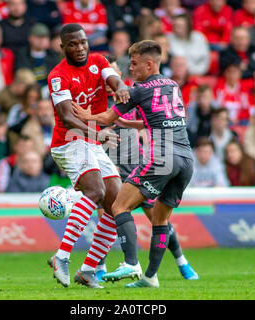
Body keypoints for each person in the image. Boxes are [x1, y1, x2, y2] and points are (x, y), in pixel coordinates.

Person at [73, 40, 195, 288]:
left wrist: (85, 115)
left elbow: (107, 117)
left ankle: (131, 262)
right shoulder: (173, 86)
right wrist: (128, 124)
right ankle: (150, 277)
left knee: (118, 206)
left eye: (135, 63)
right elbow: (161, 119)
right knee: (160, 219)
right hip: (185, 159)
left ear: (149, 64)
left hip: (161, 158)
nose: (131, 68)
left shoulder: (138, 90)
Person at [46, 23, 130, 289]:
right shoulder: (58, 76)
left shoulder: (97, 60)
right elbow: (67, 117)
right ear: (63, 47)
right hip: (69, 142)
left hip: (92, 141)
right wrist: (97, 135)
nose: (80, 48)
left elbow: (111, 78)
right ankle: (61, 257)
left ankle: (88, 269)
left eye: (83, 42)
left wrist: (120, 87)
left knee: (118, 204)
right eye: (73, 44)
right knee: (95, 190)